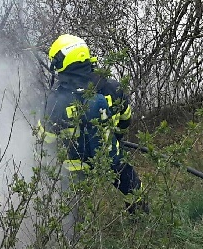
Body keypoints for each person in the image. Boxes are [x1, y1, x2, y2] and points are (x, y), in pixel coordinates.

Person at [37, 34, 146, 213]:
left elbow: (44, 141)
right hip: (112, 157)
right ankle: (141, 220)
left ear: (62, 62)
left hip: (73, 167)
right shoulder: (112, 87)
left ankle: (71, 236)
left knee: (69, 209)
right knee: (133, 188)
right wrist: (114, 139)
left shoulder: (55, 100)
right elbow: (125, 120)